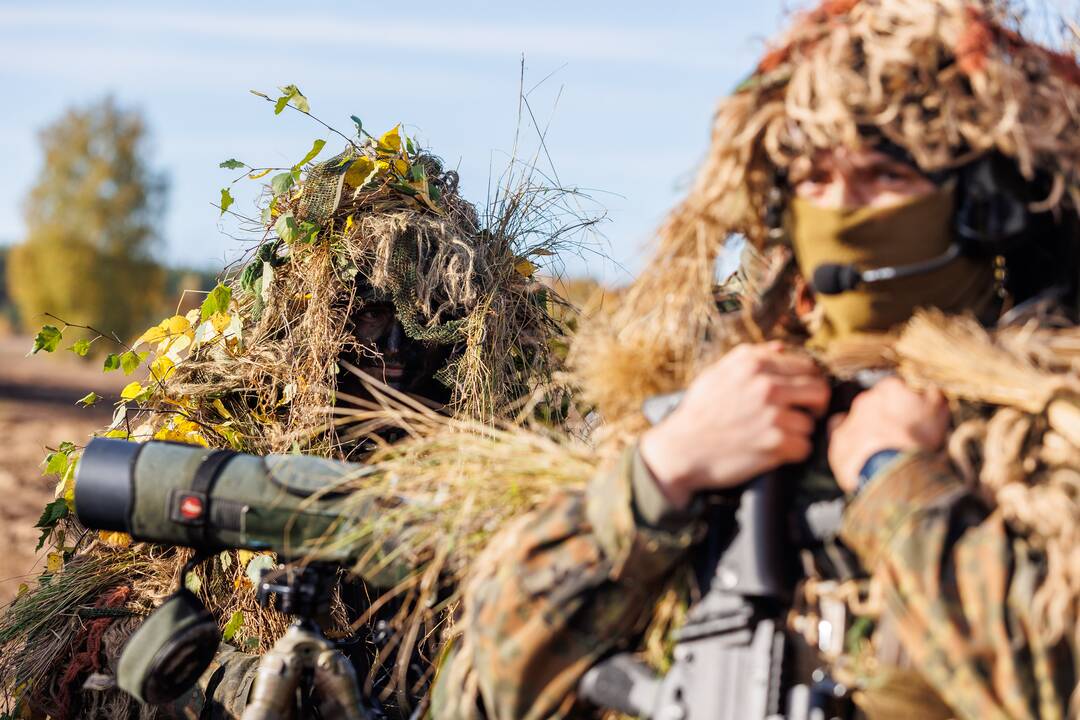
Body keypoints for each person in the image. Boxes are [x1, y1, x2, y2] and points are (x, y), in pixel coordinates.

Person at [431, 1, 1080, 718]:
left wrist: (898, 484)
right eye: (813, 181)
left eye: (883, 177)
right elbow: (488, 689)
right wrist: (663, 474)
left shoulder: (1046, 423)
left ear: (985, 205)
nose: (844, 210)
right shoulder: (716, 402)